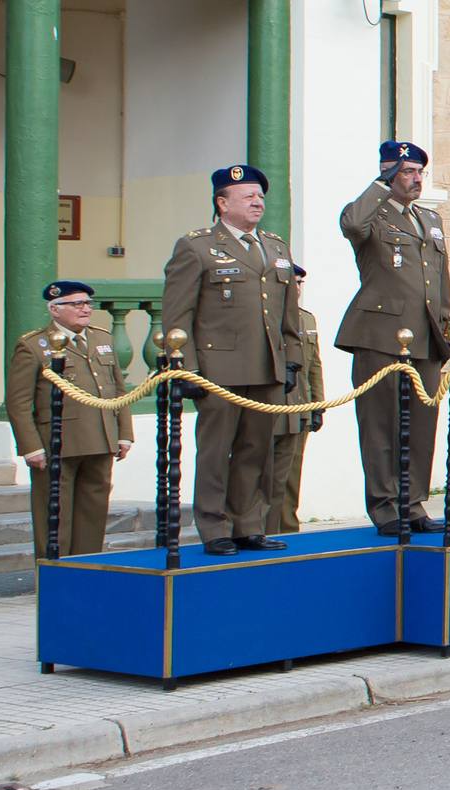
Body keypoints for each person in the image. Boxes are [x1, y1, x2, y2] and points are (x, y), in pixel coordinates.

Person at [163, 164, 300, 556]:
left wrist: (289, 359)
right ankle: (214, 526)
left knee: (256, 450)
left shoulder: (274, 246)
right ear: (222, 203)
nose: (258, 202)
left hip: (266, 367)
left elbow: (288, 312)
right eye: (247, 196)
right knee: (215, 452)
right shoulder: (197, 246)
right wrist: (184, 366)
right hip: (217, 370)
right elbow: (177, 314)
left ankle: (247, 524)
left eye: (260, 196)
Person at [336, 141, 450, 536]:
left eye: (420, 171)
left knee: (422, 424)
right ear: (388, 173)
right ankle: (386, 506)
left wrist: (447, 326)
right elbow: (352, 226)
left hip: (425, 337)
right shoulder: (372, 213)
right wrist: (380, 184)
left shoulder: (429, 219)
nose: (416, 178)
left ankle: (413, 501)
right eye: (407, 171)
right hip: (380, 335)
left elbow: (440, 279)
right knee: (381, 425)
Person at [8, 280, 133, 557]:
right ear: (55, 309)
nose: (85, 309)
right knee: (55, 517)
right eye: (77, 304)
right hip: (58, 443)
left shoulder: (102, 339)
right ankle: (55, 575)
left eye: (88, 303)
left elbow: (117, 389)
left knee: (93, 514)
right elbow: (18, 402)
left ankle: (85, 573)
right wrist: (30, 446)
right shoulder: (34, 345)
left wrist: (123, 433)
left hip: (100, 437)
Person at [269, 267, 324, 534]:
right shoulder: (270, 318)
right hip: (271, 408)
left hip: (299, 409)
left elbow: (314, 366)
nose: (298, 288)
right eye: (294, 282)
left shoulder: (307, 320)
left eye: (300, 282)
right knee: (266, 477)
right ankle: (265, 528)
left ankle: (288, 529)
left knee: (291, 478)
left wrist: (318, 405)